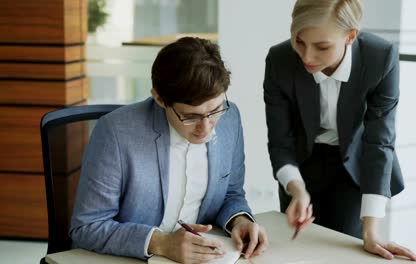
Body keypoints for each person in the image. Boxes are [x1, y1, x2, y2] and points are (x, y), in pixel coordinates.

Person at [70, 37, 268, 263]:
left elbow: (231, 194)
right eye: (191, 116)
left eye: (215, 110)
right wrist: (161, 242)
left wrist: (240, 221)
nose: (206, 127)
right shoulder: (115, 132)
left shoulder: (230, 118)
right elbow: (87, 226)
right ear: (159, 99)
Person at [263, 0, 416, 261]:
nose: (307, 57)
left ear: (351, 36)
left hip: (355, 164)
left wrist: (372, 231)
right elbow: (280, 141)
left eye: (322, 47)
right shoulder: (280, 60)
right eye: (299, 42)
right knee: (298, 250)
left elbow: (379, 142)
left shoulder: (380, 58)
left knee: (343, 250)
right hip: (301, 163)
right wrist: (297, 190)